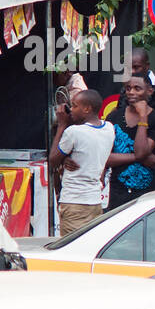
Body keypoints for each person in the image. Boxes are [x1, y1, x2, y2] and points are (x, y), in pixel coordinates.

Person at [49, 89, 114, 235]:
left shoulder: (73, 132)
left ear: (87, 108)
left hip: (74, 202)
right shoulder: (109, 128)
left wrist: (61, 126)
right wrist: (66, 158)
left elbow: (53, 160)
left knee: (71, 250)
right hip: (95, 201)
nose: (71, 110)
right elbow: (86, 149)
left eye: (74, 106)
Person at [104, 74, 155, 210]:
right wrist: (139, 158)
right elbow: (105, 157)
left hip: (146, 194)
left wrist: (143, 117)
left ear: (149, 91)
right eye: (128, 88)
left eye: (137, 88)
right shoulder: (114, 117)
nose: (131, 92)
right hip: (117, 191)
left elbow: (141, 151)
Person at [131, 48, 155, 122]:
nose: (132, 71)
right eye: (129, 67)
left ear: (147, 66)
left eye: (136, 67)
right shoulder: (126, 87)